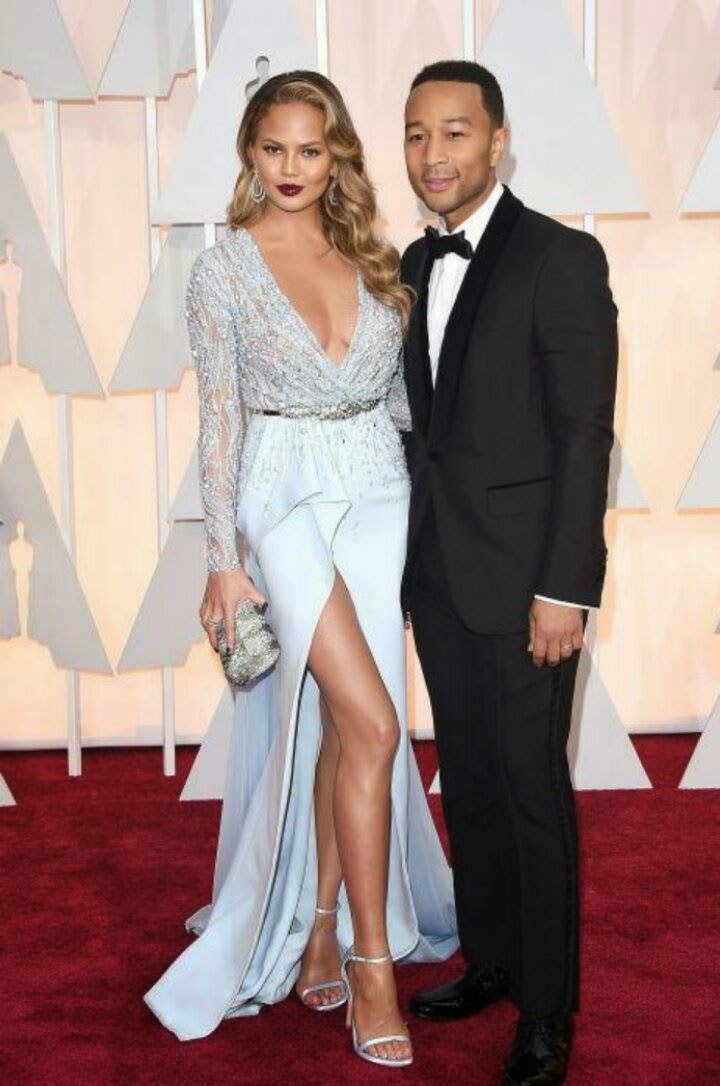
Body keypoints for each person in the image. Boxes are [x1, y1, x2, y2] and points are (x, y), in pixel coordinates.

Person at [142, 70, 458, 1065]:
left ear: (336, 157)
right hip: (281, 494)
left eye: (310, 150)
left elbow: (403, 407)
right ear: (250, 152)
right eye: (273, 148)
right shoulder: (223, 272)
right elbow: (219, 422)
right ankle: (373, 965)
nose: (290, 168)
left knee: (343, 726)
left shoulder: (374, 256)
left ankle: (321, 921)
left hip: (376, 492)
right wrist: (222, 561)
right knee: (375, 723)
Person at [399, 61, 618, 1086]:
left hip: (532, 585)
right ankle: (489, 958)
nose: (433, 154)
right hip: (441, 575)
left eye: (454, 132)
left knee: (532, 791)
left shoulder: (559, 257)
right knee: (473, 778)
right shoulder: (411, 261)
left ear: (497, 142)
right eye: (416, 134)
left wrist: (565, 589)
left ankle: (546, 1010)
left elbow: (584, 434)